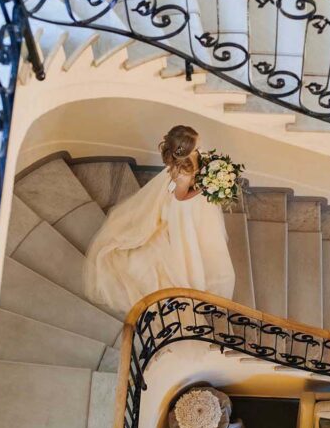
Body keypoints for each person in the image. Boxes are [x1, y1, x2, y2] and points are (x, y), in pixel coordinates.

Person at [83, 125, 236, 315]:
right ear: (185, 150)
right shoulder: (184, 175)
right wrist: (204, 187)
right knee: (193, 239)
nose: (200, 146)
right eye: (197, 145)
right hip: (185, 209)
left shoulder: (188, 159)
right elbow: (181, 197)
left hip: (192, 201)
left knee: (207, 234)